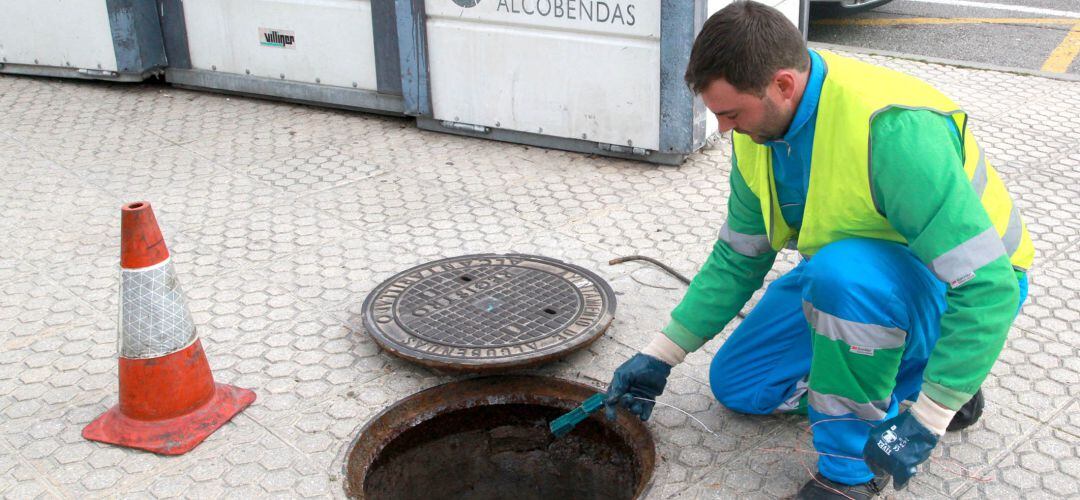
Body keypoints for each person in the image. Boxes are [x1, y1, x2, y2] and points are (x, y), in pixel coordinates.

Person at [603, 2, 1033, 498]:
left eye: (731, 114)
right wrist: (659, 355)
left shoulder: (892, 131)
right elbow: (738, 258)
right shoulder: (757, 134)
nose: (723, 130)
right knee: (742, 385)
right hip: (859, 281)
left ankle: (851, 473)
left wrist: (930, 415)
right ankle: (924, 370)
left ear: (783, 85)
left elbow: (989, 287)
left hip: (956, 289)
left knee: (841, 276)